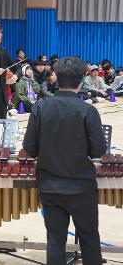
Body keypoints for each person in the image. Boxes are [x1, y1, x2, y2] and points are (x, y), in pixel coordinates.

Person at [23, 57, 107, 265]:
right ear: (81, 81)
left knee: (55, 241)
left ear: (57, 79)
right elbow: (98, 151)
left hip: (50, 187)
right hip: (81, 187)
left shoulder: (40, 108)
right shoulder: (88, 111)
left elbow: (30, 149)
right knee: (89, 239)